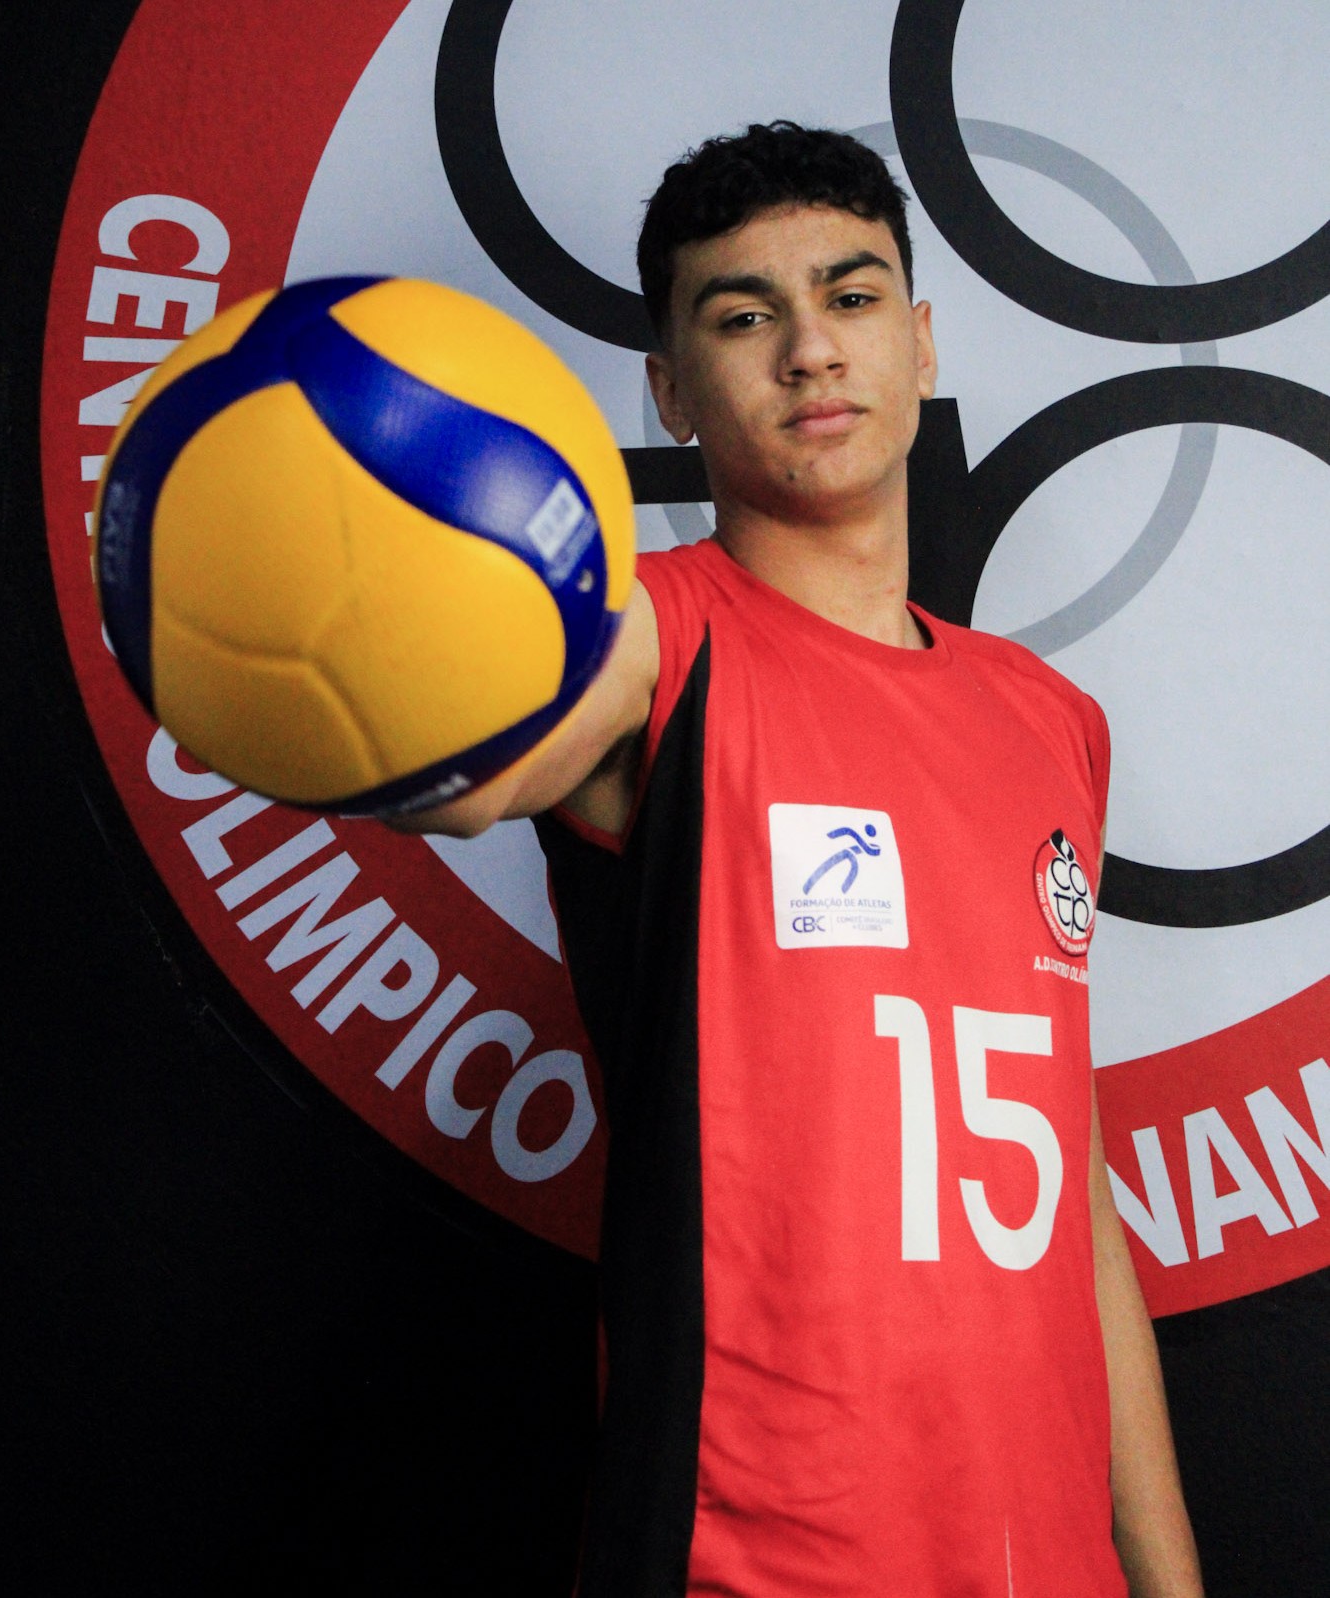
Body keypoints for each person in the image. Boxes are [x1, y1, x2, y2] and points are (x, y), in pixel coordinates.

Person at [404, 121, 1203, 1598]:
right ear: (667, 387)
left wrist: (1160, 1572)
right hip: (760, 1559)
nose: (807, 351)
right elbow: (456, 768)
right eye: (740, 314)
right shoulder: (652, 640)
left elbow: (1071, 1192)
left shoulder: (1049, 724)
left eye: (847, 297)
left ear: (918, 339)